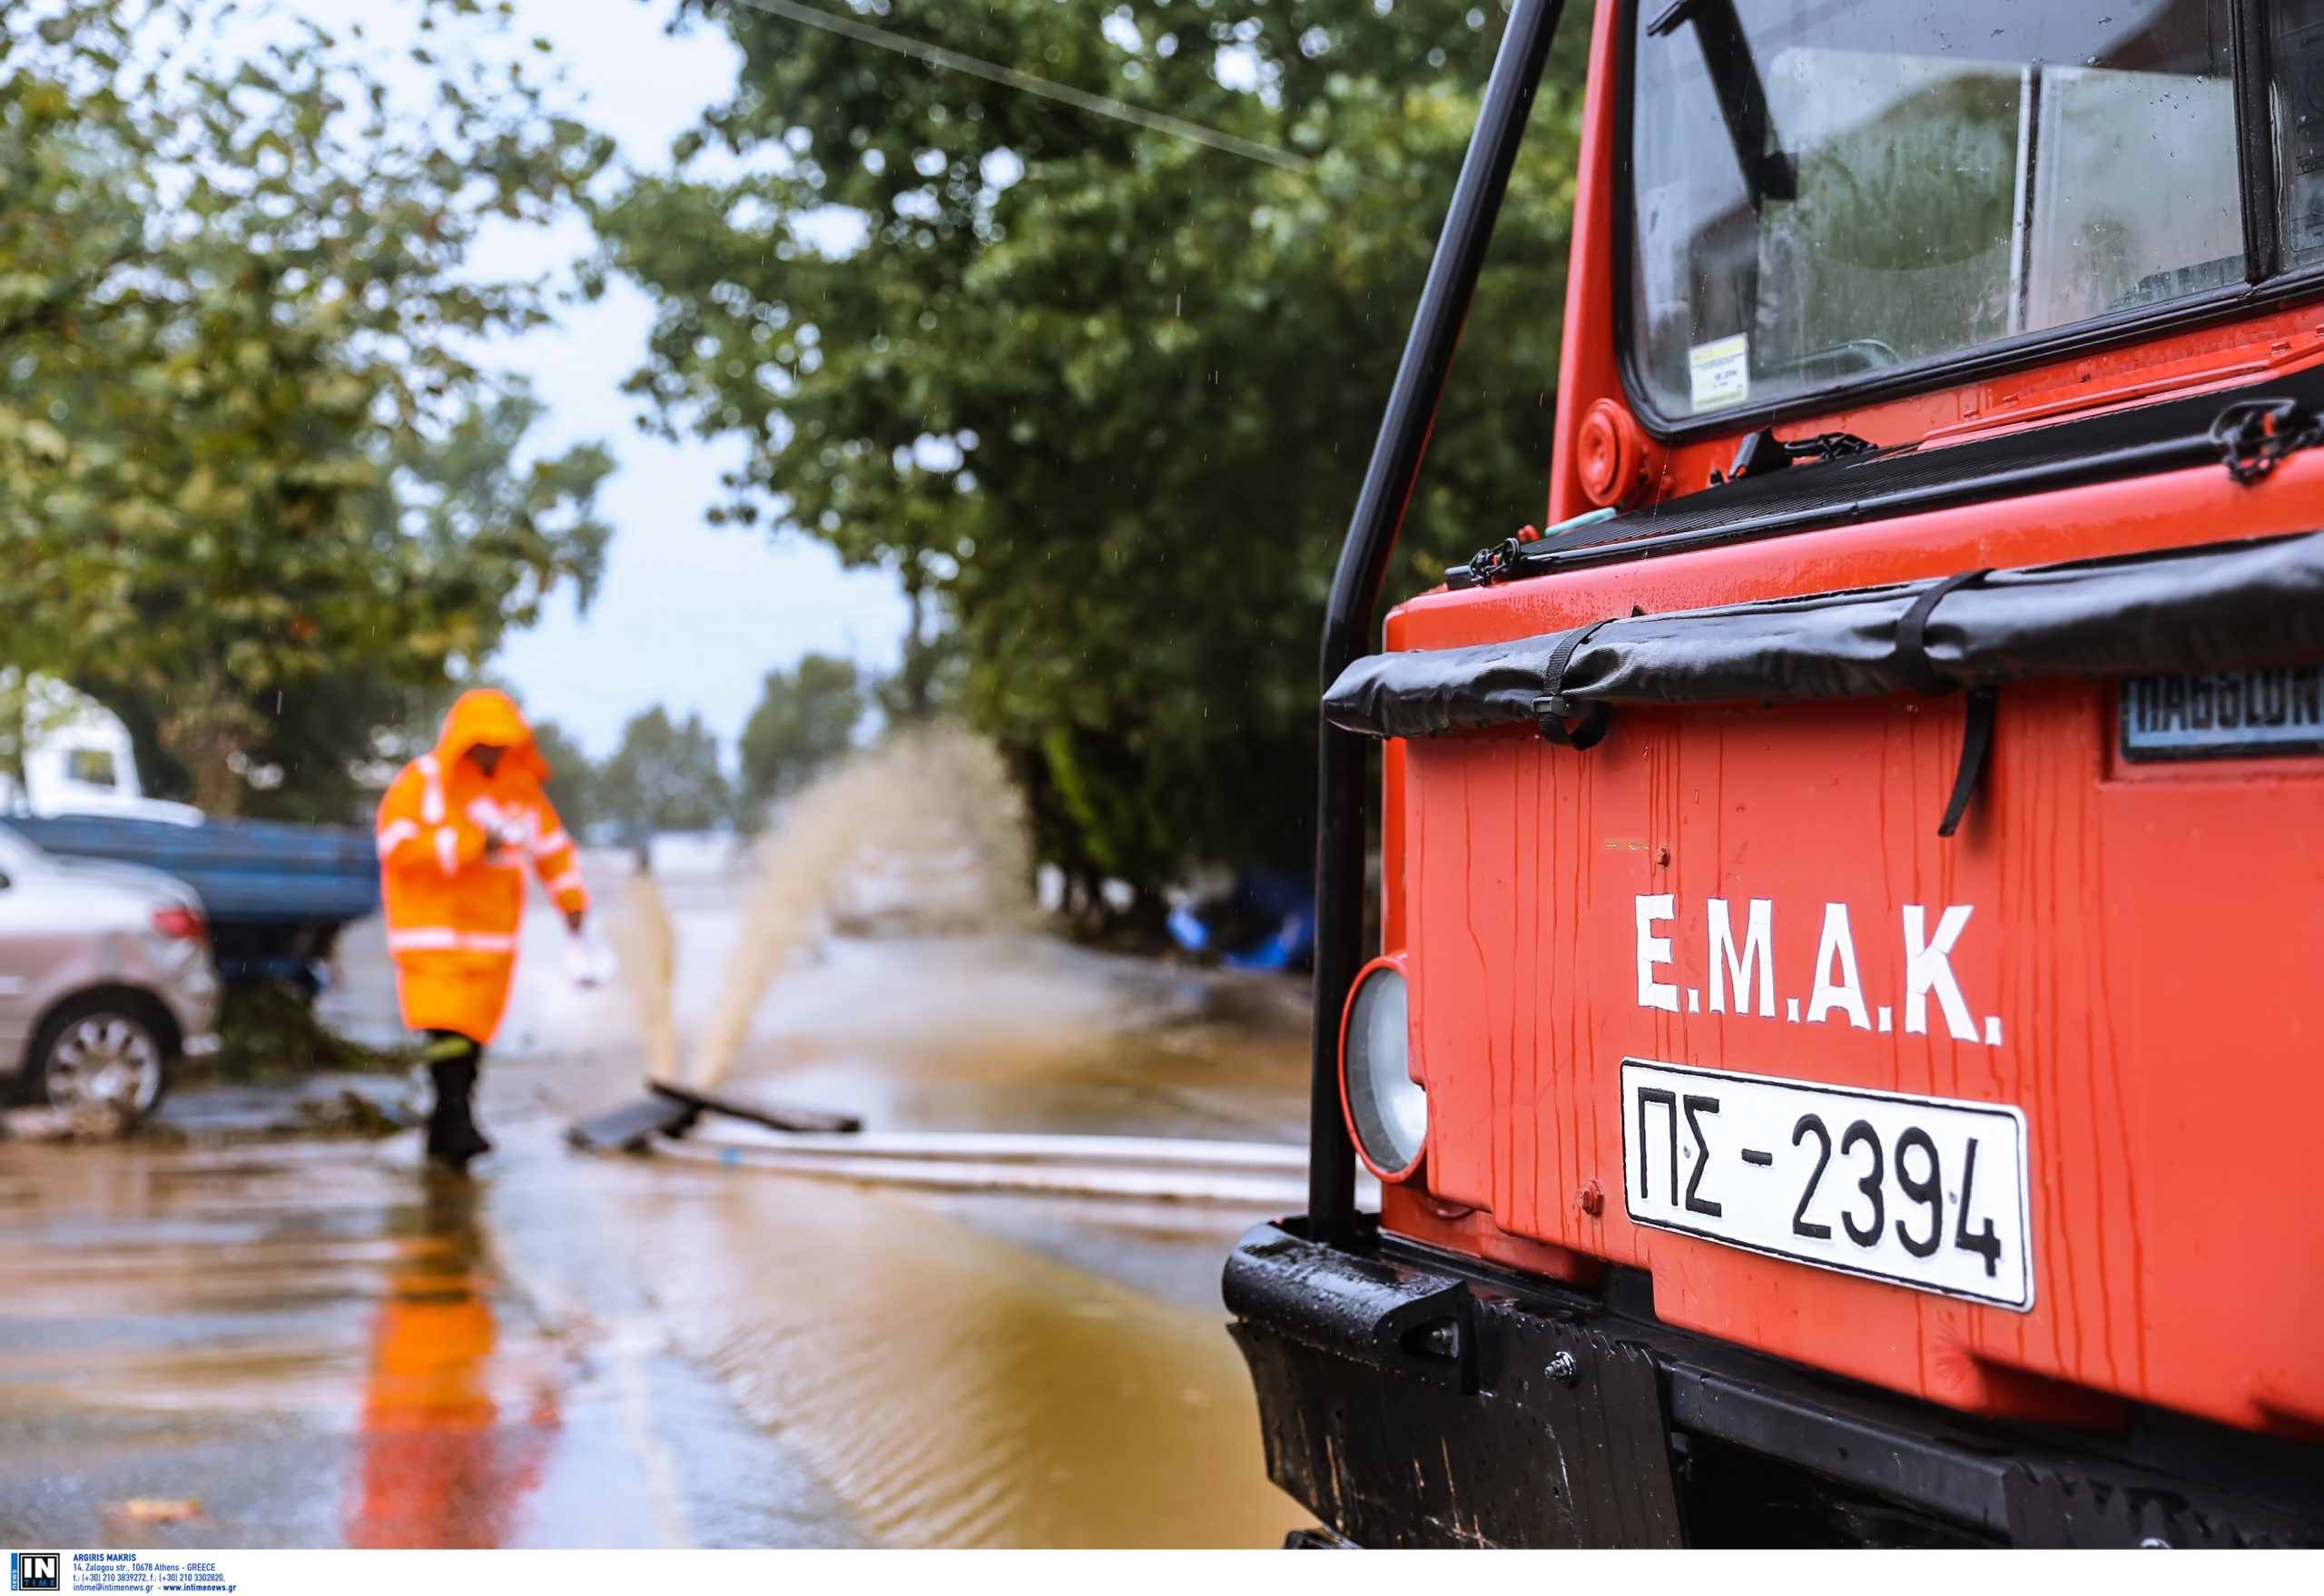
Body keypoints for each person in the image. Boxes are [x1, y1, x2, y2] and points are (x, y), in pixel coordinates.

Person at [374, 689, 589, 1170]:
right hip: (433, 937)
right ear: (463, 742)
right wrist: (473, 842)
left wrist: (572, 902)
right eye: (483, 745)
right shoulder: (423, 783)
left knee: (471, 1038)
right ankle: (453, 1121)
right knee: (445, 1031)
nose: (491, 754)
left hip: (491, 941)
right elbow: (397, 846)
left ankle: (452, 1121)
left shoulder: (520, 793)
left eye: (500, 745)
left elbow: (554, 850)